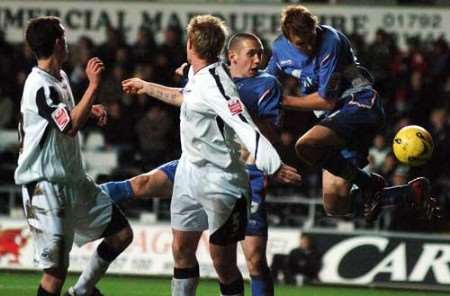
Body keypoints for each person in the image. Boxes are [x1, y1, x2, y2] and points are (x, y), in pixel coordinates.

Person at [122, 15, 301, 296]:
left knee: (224, 263)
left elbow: (245, 125)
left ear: (190, 44)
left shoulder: (218, 84)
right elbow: (184, 96)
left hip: (223, 181)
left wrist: (272, 164)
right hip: (189, 173)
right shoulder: (196, 74)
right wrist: (145, 86)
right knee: (181, 250)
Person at [266, 5, 438, 222]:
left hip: (358, 104)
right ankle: (408, 193)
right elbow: (266, 84)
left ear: (315, 27)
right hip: (335, 120)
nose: (309, 46)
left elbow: (325, 100)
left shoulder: (330, 41)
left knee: (306, 146)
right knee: (336, 205)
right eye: (302, 44)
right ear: (288, 39)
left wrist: (282, 101)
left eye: (311, 38)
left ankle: (369, 183)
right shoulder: (279, 49)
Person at [14, 17, 133, 296]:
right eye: (64, 38)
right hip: (45, 186)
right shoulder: (40, 85)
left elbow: (62, 116)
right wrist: (93, 86)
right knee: (55, 272)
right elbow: (68, 126)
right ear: (57, 43)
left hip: (73, 180)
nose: (67, 43)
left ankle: (81, 291)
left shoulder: (60, 78)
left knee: (121, 234)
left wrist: (89, 109)